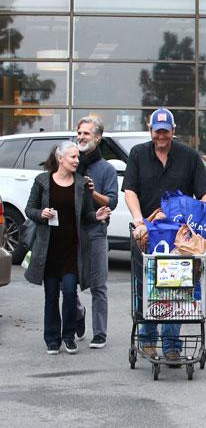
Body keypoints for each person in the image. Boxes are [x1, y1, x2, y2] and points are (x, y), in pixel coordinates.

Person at [122, 107, 206, 362]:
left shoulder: (189, 156)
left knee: (176, 287)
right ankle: (149, 340)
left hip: (178, 239)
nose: (161, 135)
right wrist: (138, 221)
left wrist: (196, 223)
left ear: (173, 131)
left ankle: (172, 345)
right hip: (148, 234)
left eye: (165, 131)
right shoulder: (138, 154)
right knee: (148, 285)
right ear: (150, 130)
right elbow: (129, 191)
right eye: (156, 131)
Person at [24, 141, 111, 355]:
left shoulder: (81, 184)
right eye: (72, 157)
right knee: (51, 295)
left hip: (72, 249)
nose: (76, 160)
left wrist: (97, 216)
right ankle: (52, 339)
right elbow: (29, 209)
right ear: (60, 158)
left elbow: (87, 215)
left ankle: (69, 336)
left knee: (71, 293)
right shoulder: (43, 181)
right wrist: (41, 214)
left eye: (77, 157)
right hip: (49, 249)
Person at [74, 116, 118, 349]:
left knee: (98, 285)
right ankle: (78, 313)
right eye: (79, 133)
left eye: (86, 133)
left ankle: (99, 333)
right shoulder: (70, 163)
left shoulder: (107, 169)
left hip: (96, 231)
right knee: (67, 284)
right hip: (71, 232)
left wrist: (92, 192)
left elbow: (112, 201)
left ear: (97, 138)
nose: (81, 137)